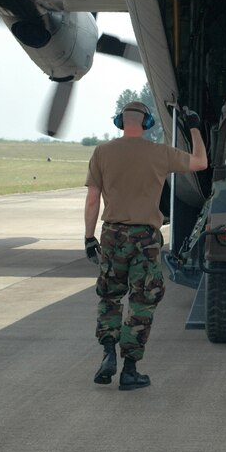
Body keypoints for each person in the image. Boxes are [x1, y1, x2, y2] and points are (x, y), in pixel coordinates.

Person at [83, 101, 208, 390]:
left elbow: (92, 200)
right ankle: (130, 369)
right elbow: (200, 162)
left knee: (110, 297)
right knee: (142, 300)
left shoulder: (102, 152)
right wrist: (194, 128)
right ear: (148, 123)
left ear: (119, 122)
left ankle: (107, 355)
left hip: (112, 235)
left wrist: (89, 238)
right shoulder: (159, 153)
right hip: (145, 240)